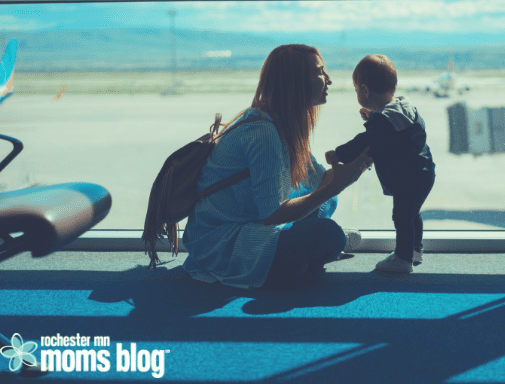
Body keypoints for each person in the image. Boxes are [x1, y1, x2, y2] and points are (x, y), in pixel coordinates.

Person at [181, 44, 373, 289]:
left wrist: (363, 156)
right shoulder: (263, 133)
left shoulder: (281, 124)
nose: (329, 80)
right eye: (320, 72)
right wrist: (334, 186)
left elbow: (321, 180)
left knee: (327, 203)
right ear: (295, 81)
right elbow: (272, 215)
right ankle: (301, 259)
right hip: (222, 240)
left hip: (252, 223)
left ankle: (298, 263)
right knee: (329, 234)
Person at [325, 54, 436, 273]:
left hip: (407, 178)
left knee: (402, 216)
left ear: (365, 91)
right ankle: (415, 250)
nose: (357, 92)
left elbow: (363, 142)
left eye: (356, 89)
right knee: (413, 213)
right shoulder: (405, 107)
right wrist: (374, 118)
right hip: (425, 171)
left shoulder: (381, 121)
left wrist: (338, 154)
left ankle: (403, 259)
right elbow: (400, 133)